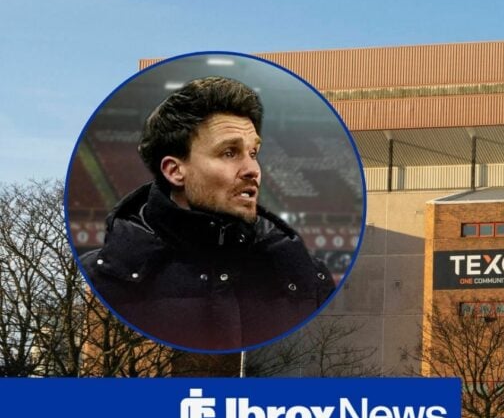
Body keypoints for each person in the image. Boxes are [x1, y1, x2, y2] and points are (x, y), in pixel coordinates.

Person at [81, 76, 335, 351]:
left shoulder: (306, 275)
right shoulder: (102, 276)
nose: (253, 169)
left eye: (253, 152)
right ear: (175, 171)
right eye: (229, 152)